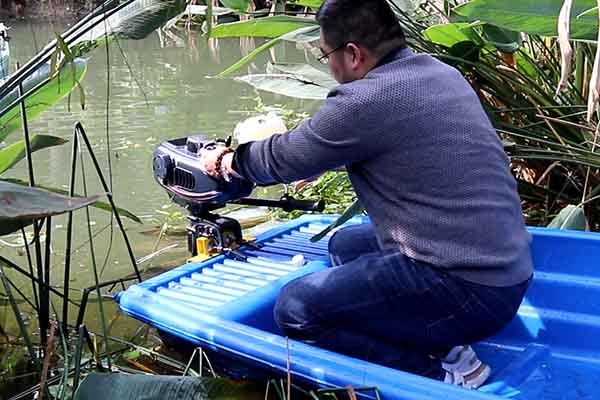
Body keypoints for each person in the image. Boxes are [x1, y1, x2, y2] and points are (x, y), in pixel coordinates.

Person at [199, 0, 533, 389]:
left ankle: (439, 376)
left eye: (326, 55)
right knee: (346, 244)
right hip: (507, 273)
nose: (329, 66)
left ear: (353, 54)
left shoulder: (364, 100)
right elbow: (407, 147)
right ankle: (449, 346)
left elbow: (280, 160)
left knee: (297, 309)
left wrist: (226, 162)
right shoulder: (440, 73)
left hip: (467, 291)